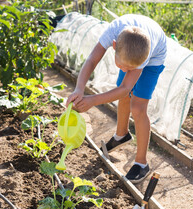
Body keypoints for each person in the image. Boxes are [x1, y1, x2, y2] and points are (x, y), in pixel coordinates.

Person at [66, 14, 167, 183]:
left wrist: (92, 100)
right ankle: (122, 135)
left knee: (138, 107)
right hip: (132, 45)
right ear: (114, 46)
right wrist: (79, 88)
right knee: (125, 96)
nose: (126, 69)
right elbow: (91, 60)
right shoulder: (113, 34)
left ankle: (141, 163)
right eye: (123, 66)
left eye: (130, 68)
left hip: (154, 55)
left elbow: (125, 88)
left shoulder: (141, 56)